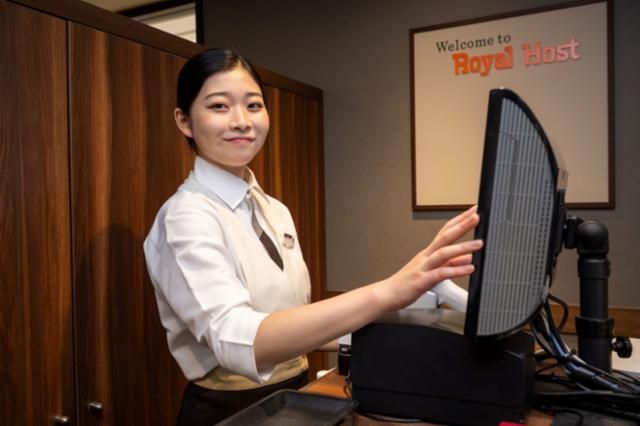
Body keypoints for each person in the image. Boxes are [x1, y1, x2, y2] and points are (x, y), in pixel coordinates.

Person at [143, 48, 483, 426]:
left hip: (295, 396)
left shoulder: (274, 210)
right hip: (230, 409)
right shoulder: (186, 216)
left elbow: (295, 325)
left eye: (253, 105)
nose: (241, 121)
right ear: (184, 121)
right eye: (219, 106)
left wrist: (424, 306)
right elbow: (236, 338)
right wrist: (387, 291)